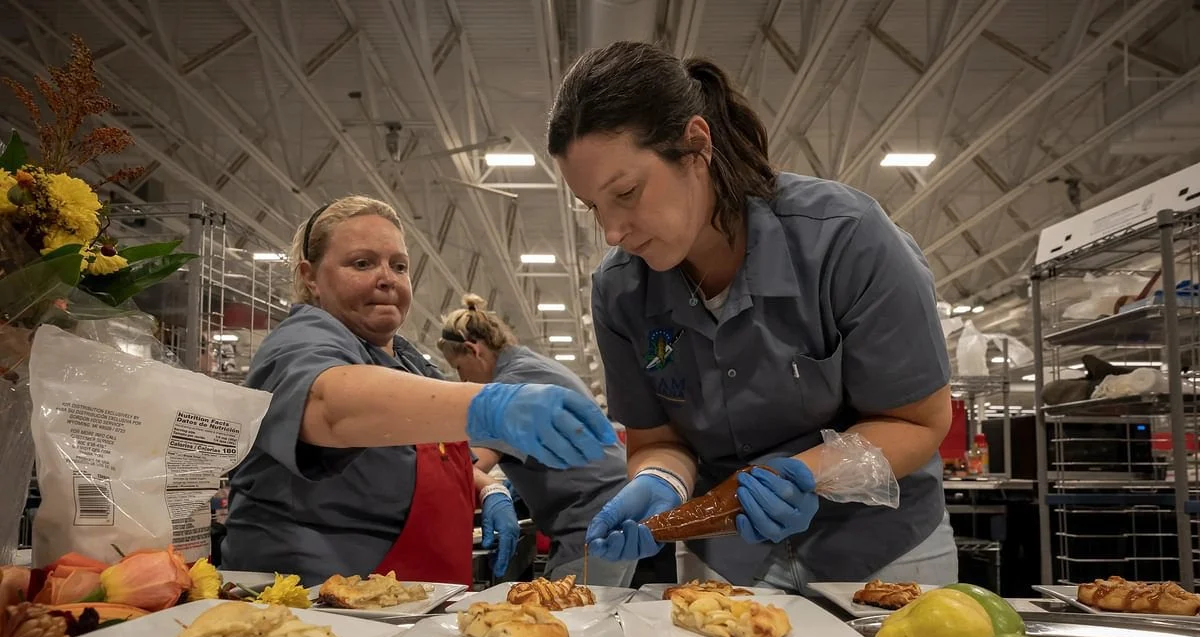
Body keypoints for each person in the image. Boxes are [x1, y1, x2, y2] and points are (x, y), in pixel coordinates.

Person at [547, 42, 957, 592]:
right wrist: (660, 480)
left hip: (878, 549)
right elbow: (656, 439)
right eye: (594, 207)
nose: (612, 231)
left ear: (696, 144)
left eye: (627, 192)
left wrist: (811, 476)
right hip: (727, 556)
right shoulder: (621, 290)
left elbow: (918, 421)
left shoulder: (846, 240)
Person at [220, 196, 616, 586]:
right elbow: (329, 407)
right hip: (320, 608)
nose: (386, 277)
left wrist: (488, 487)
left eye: (399, 265)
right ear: (310, 275)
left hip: (409, 608)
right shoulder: (300, 341)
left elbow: (414, 462)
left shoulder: (410, 364)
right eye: (362, 263)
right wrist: (488, 404)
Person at [438, 294, 637, 586]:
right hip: (617, 509)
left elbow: (467, 465)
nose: (462, 381)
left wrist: (490, 489)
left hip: (589, 521)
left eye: (459, 368)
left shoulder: (508, 387)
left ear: (473, 351)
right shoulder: (533, 365)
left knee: (569, 623)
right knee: (600, 619)